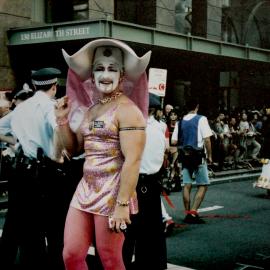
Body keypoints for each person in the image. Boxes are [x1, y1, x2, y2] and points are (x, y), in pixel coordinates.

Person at [54, 38, 151, 269]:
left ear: (122, 75)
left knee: (110, 259)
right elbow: (74, 149)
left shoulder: (129, 111)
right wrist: (62, 119)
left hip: (113, 191)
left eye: (111, 69)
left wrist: (122, 205)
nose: (105, 75)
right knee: (71, 255)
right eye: (99, 69)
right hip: (85, 189)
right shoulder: (91, 110)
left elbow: (133, 160)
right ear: (92, 75)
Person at [0, 68, 78, 270]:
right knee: (55, 230)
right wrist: (60, 153)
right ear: (54, 87)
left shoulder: (21, 109)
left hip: (23, 172)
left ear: (34, 86)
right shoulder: (50, 107)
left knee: (30, 231)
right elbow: (59, 130)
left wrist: (17, 143)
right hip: (49, 173)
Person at [123, 93, 167, 270]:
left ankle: (124, 264)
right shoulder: (160, 128)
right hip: (153, 183)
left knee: (128, 230)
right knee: (151, 231)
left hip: (133, 182)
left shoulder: (132, 128)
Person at [171, 97, 213, 224]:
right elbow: (207, 139)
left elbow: (173, 141)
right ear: (197, 106)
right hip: (198, 155)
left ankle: (187, 213)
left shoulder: (180, 122)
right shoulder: (201, 119)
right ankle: (193, 212)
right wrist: (210, 155)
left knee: (187, 184)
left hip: (185, 155)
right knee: (203, 184)